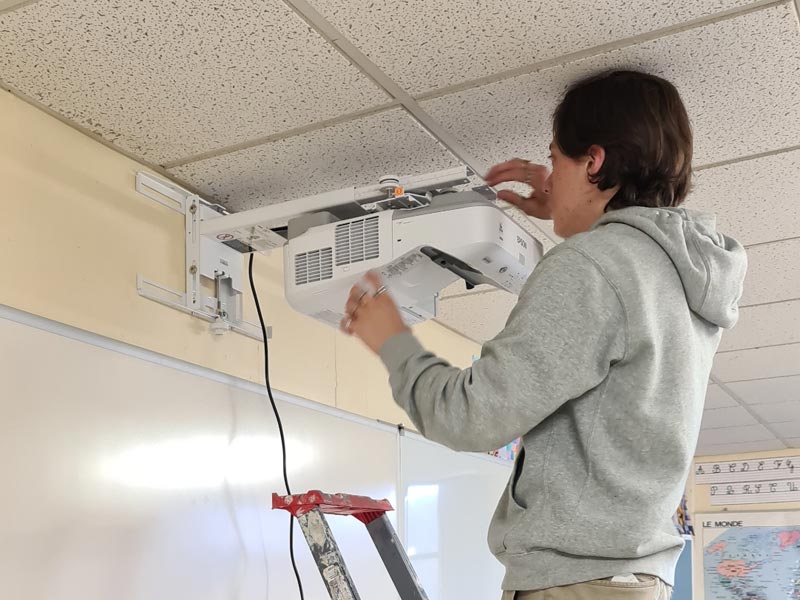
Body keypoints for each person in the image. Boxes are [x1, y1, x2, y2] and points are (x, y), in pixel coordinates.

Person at [340, 70, 747, 599]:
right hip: (629, 578)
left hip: (578, 583)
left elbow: (469, 417)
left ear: (594, 161)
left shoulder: (593, 266)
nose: (548, 175)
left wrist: (391, 338)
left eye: (557, 159)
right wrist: (569, 204)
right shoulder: (678, 273)